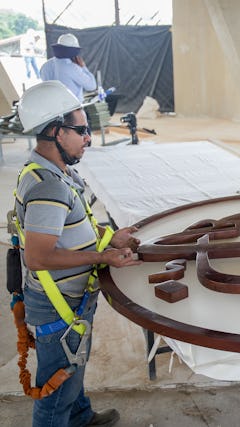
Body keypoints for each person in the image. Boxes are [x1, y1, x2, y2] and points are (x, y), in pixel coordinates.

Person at [15, 80, 142, 427]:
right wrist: (102, 258)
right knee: (56, 389)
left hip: (68, 297)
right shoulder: (48, 186)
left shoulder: (58, 172)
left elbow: (79, 225)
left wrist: (110, 239)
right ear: (55, 131)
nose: (88, 138)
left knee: (73, 365)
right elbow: (38, 257)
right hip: (58, 302)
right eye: (81, 130)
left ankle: (82, 418)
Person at [40, 33, 97, 102]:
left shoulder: (45, 66)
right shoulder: (72, 67)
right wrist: (83, 67)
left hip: (53, 107)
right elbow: (91, 86)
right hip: (72, 108)